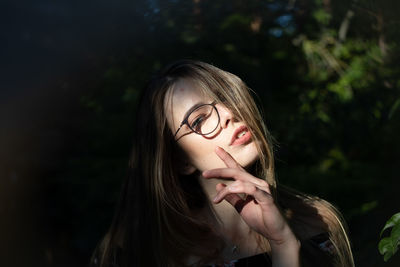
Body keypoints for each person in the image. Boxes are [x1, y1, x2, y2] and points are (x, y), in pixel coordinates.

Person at [92, 60, 354, 267]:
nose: (229, 114)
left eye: (226, 100)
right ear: (180, 161)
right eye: (198, 120)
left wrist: (284, 242)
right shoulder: (140, 254)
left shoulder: (317, 223)